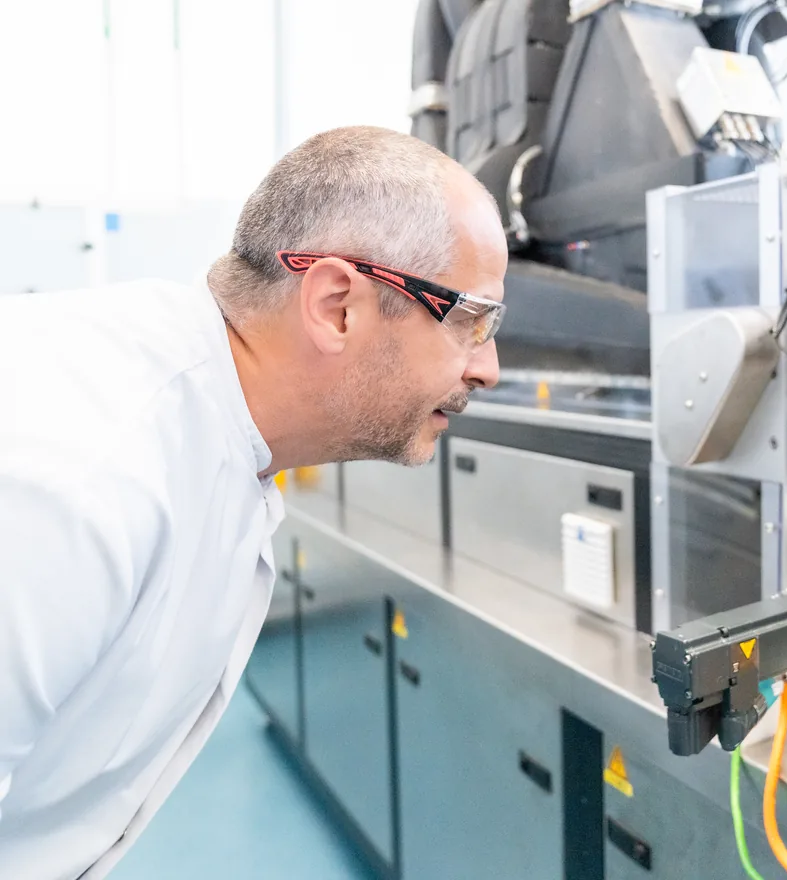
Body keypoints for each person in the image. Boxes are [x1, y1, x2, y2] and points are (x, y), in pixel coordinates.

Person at [0, 125, 506, 878]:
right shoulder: (82, 479)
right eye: (471, 322)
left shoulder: (216, 435)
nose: (488, 369)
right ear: (338, 305)